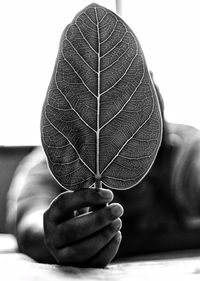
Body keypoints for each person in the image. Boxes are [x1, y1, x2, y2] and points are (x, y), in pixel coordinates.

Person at [6, 75, 200, 268]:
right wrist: (55, 236)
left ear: (170, 147)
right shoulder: (55, 163)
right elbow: (31, 221)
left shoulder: (187, 155)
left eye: (147, 161)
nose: (135, 184)